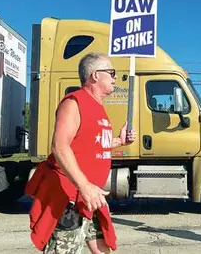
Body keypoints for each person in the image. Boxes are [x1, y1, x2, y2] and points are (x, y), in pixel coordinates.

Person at [25, 52, 136, 254]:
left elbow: (91, 145)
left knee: (103, 247)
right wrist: (84, 185)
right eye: (111, 72)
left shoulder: (98, 107)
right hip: (69, 195)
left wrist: (120, 141)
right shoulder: (74, 103)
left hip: (90, 195)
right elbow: (60, 147)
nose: (115, 77)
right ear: (95, 75)